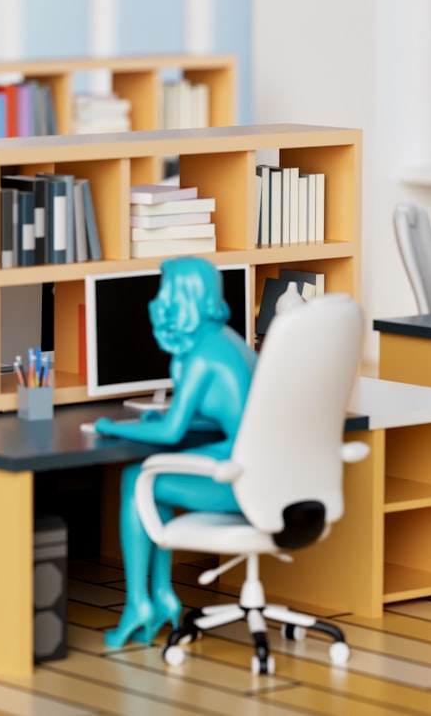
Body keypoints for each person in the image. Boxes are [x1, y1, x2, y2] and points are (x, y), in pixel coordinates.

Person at [94, 255, 258, 648]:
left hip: (242, 479)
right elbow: (227, 418)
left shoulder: (201, 355)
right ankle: (163, 593)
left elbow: (171, 433)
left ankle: (139, 603)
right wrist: (164, 422)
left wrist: (110, 426)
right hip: (264, 468)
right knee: (151, 478)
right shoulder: (229, 341)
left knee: (138, 479)